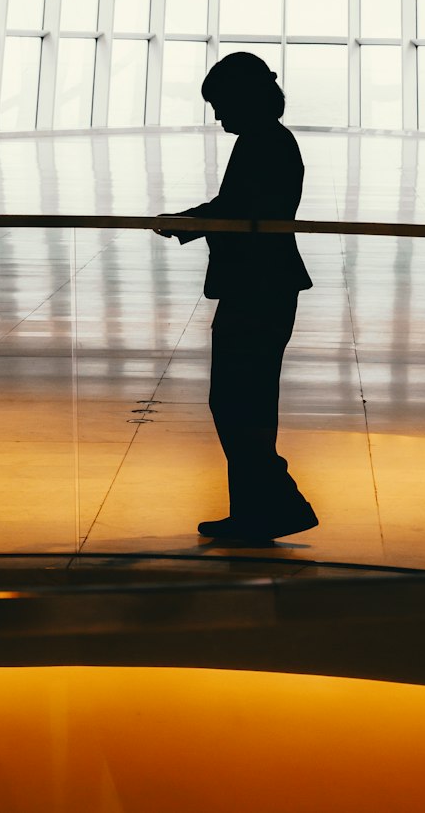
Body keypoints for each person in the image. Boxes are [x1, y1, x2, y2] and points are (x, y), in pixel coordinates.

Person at [155, 51, 318, 545]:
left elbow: (242, 212)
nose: (219, 117)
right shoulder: (270, 140)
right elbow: (242, 210)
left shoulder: (263, 144)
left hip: (257, 288)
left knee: (236, 402)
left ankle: (275, 505)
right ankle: (258, 509)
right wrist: (192, 221)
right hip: (266, 286)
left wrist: (188, 223)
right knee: (244, 403)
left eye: (222, 105)